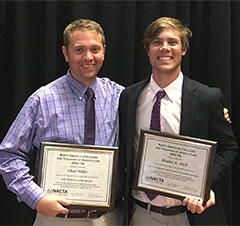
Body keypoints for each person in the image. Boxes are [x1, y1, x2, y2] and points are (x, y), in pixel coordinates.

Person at [0, 19, 124, 226]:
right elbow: (8, 155)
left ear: (104, 51)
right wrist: (36, 198)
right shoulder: (42, 99)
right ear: (66, 53)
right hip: (57, 219)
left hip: (109, 219)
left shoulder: (120, 96)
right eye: (79, 50)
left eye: (95, 49)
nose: (88, 57)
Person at [118, 17, 238, 226]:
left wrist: (204, 184)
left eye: (172, 42)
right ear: (148, 50)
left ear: (183, 49)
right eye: (157, 42)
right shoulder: (129, 96)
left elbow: (229, 148)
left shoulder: (207, 97)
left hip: (192, 216)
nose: (165, 48)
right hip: (140, 214)